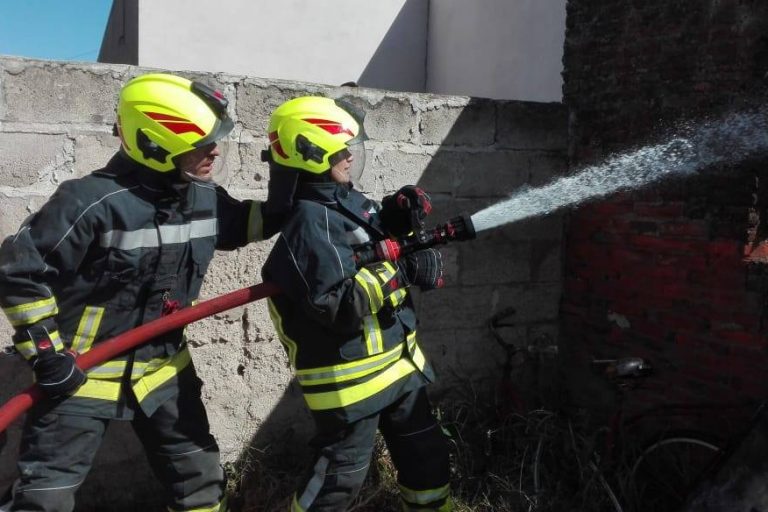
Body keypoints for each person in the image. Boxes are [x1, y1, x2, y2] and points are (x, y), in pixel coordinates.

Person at [0, 73, 279, 512]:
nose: (215, 151)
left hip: (164, 374)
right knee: (43, 501)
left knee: (202, 482)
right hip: (81, 379)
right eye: (201, 143)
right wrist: (47, 354)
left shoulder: (201, 198)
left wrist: (300, 185)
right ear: (155, 145)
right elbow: (19, 272)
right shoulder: (89, 202)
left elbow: (248, 223)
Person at [260, 96, 452, 511]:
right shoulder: (307, 224)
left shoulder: (343, 199)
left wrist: (397, 212)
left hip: (399, 367)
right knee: (336, 485)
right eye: (339, 150)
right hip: (351, 387)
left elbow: (367, 237)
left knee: (428, 461)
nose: (349, 156)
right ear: (311, 155)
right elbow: (336, 305)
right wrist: (401, 273)